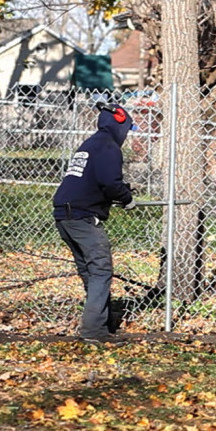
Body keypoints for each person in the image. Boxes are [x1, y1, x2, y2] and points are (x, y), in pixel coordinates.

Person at [53, 101, 137, 342]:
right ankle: (93, 332)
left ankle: (103, 324)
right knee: (101, 270)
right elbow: (110, 183)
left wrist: (119, 192)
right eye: (127, 130)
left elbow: (94, 180)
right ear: (119, 123)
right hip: (82, 217)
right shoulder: (109, 147)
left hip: (64, 214)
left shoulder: (90, 144)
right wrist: (126, 198)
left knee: (91, 272)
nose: (126, 137)